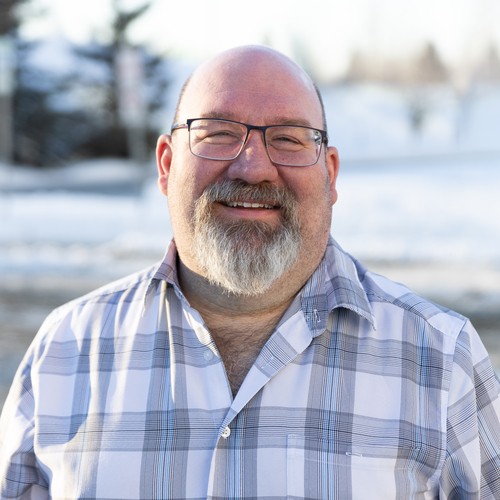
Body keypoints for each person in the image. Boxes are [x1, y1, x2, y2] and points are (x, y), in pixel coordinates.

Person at [0, 45, 499, 499]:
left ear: (329, 174)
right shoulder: (65, 349)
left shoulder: (441, 358)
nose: (253, 167)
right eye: (218, 134)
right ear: (166, 165)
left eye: (288, 139)